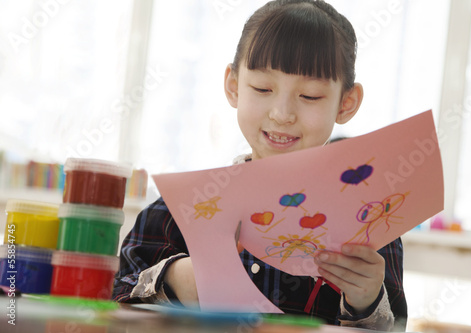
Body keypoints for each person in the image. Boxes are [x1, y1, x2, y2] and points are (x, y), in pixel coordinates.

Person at [113, 0, 407, 330]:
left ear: (346, 103)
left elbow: (394, 326)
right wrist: (177, 279)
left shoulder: (369, 224)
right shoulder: (179, 210)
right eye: (263, 88)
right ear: (234, 86)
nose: (282, 113)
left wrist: (366, 301)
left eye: (309, 95)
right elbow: (117, 302)